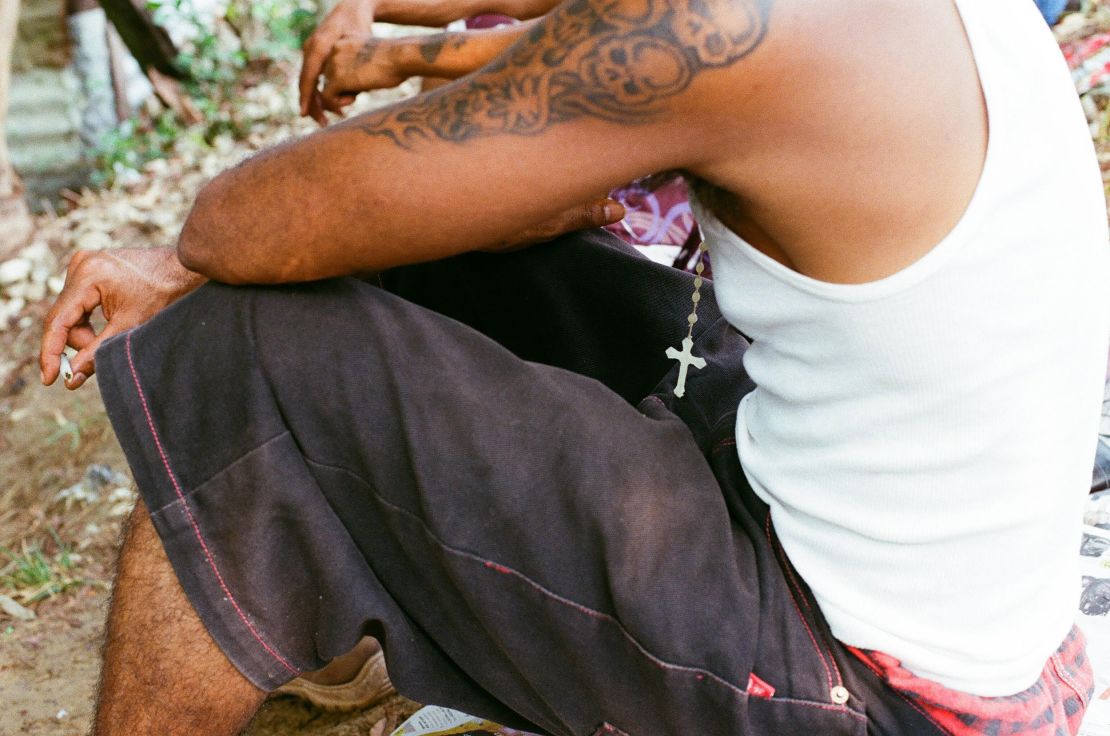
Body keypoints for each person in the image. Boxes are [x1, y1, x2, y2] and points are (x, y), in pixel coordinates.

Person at [39, 1, 1110, 735]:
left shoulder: (735, 25)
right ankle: (316, 636)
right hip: (969, 633)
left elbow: (246, 223)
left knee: (245, 354)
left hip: (861, 689)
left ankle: (297, 599)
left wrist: (185, 261)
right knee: (479, 266)